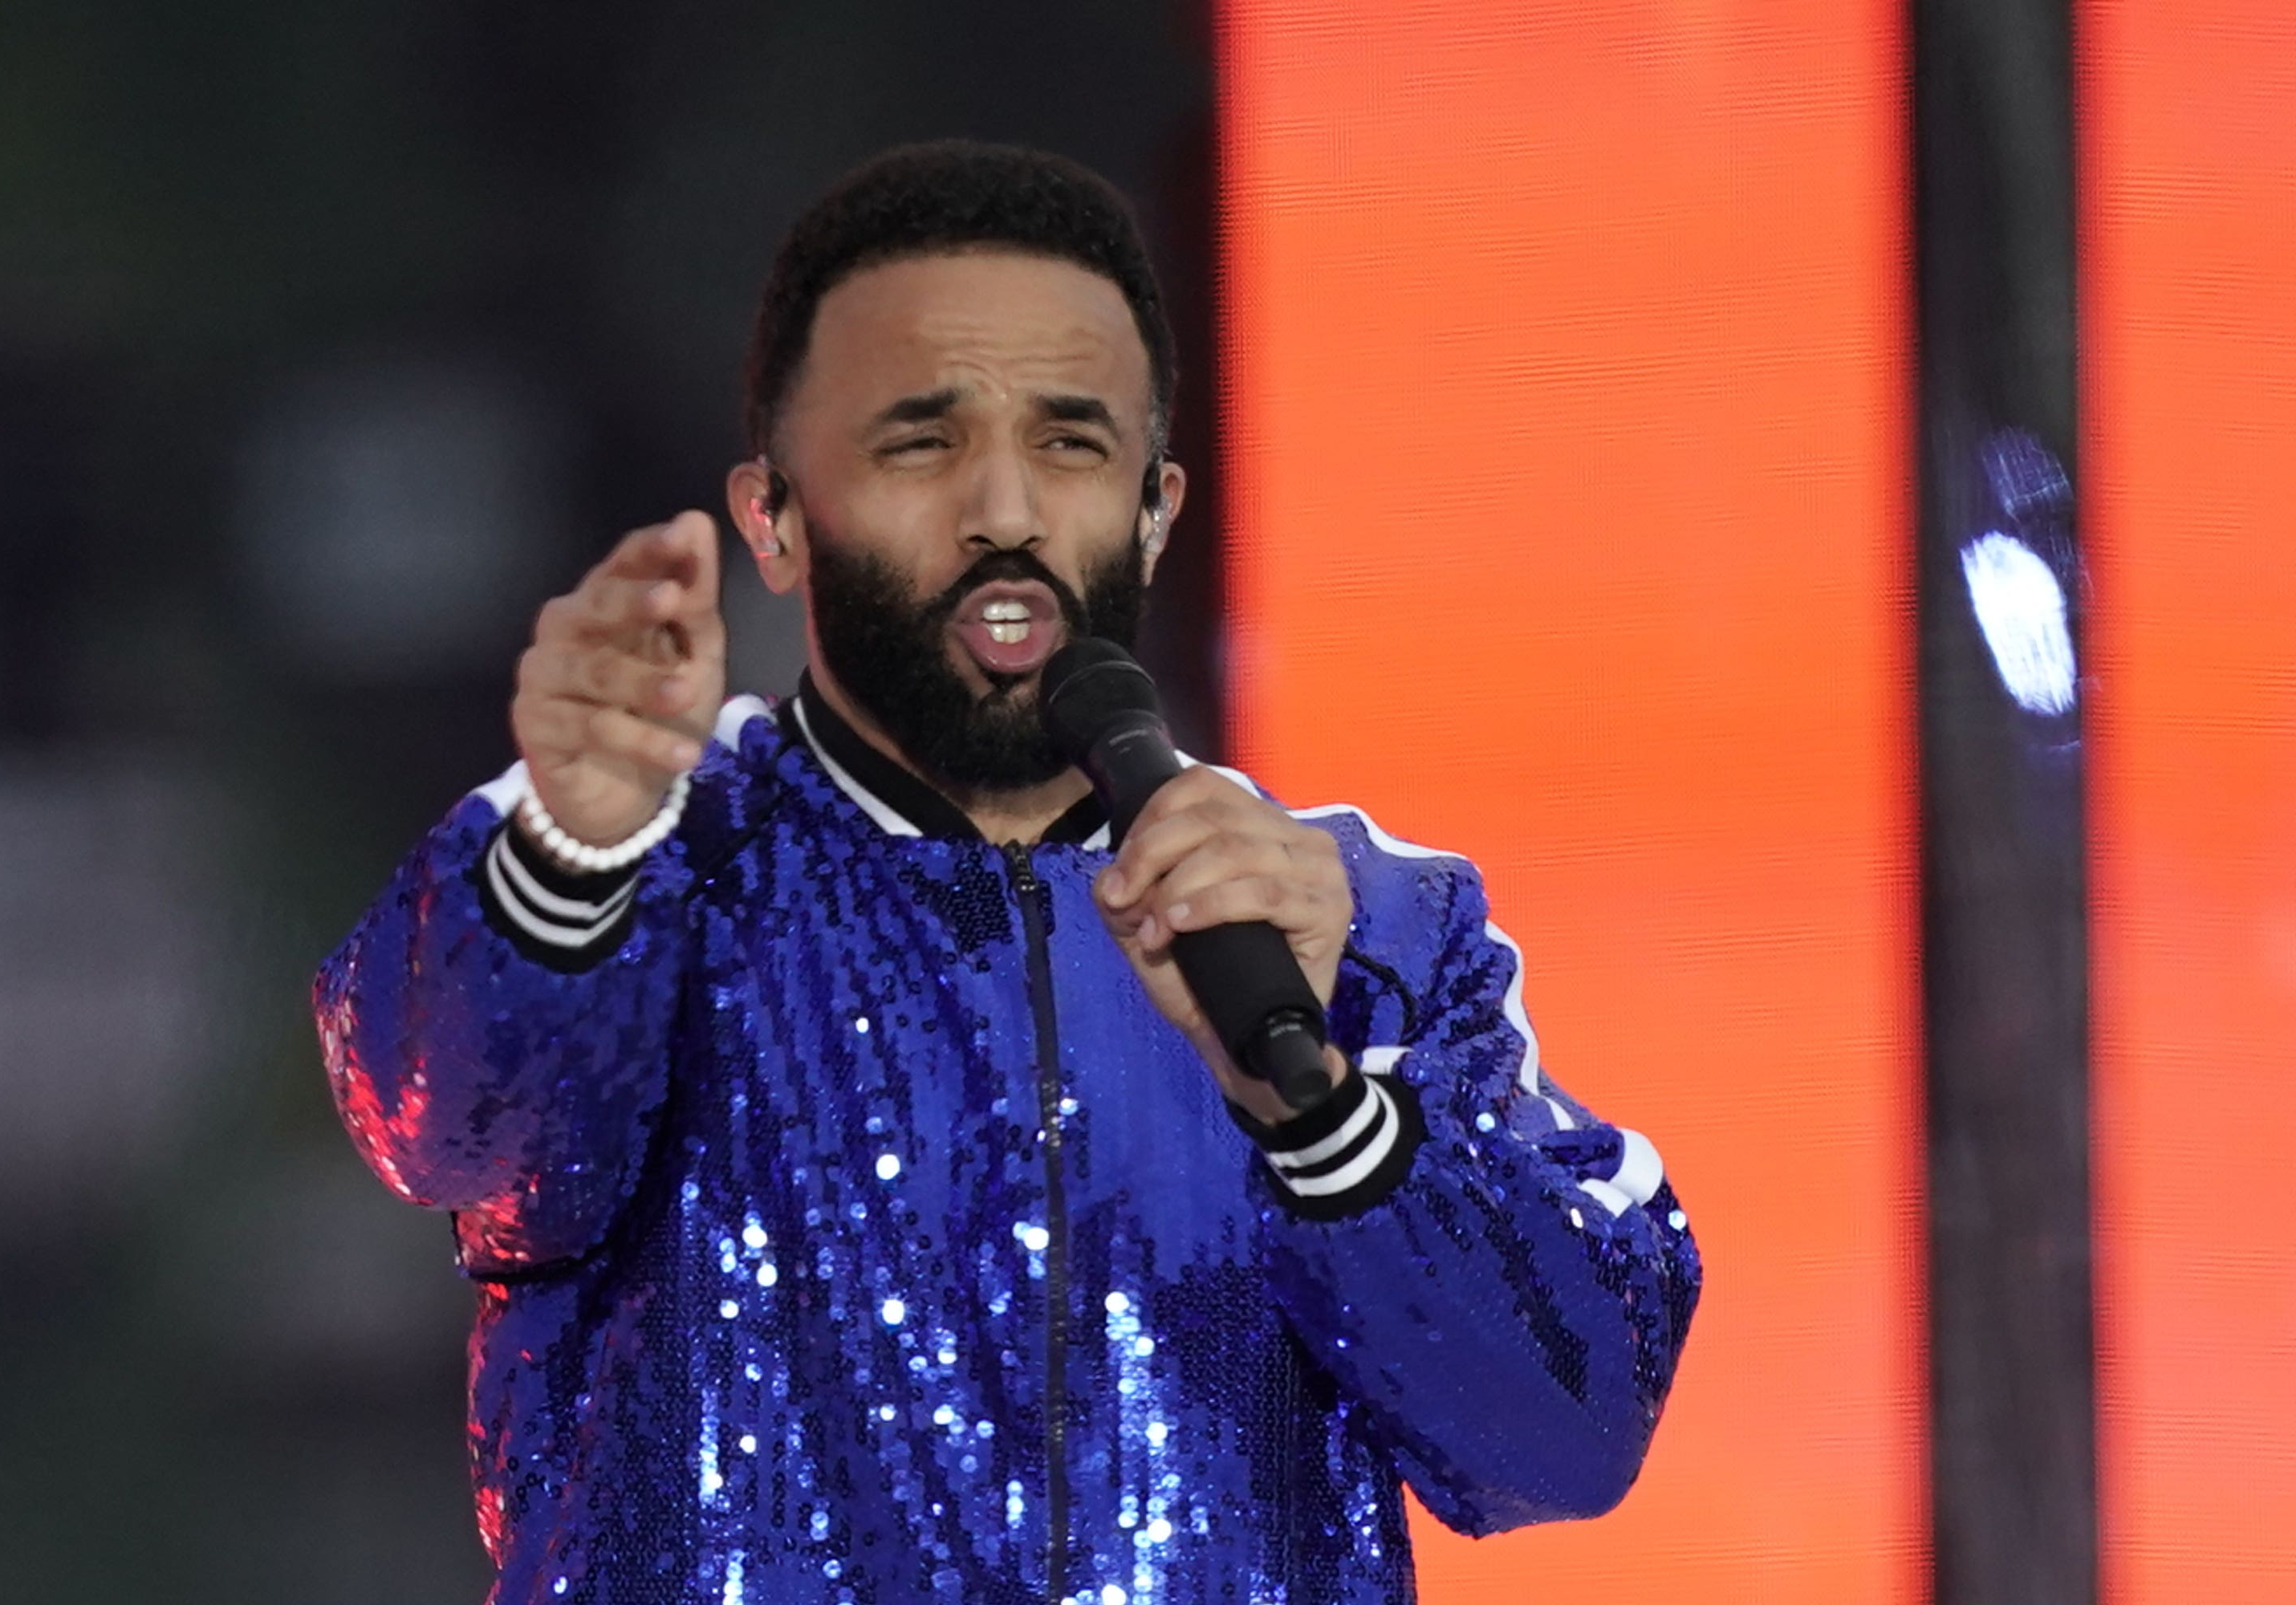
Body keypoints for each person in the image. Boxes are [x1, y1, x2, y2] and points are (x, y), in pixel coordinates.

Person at [315, 140, 1701, 1605]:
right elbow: (433, 1115)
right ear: (776, 520)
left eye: (1071, 443)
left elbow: (1568, 1439)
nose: (1006, 511)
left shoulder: (1363, 924)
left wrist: (1330, 1123)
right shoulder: (651, 875)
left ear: (1158, 512)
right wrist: (566, 859)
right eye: (920, 441)